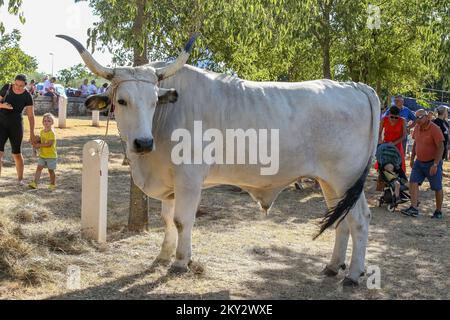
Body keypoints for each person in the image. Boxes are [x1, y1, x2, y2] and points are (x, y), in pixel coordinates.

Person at [401, 109, 445, 219]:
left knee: (437, 187)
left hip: (432, 163)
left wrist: (435, 164)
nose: (417, 120)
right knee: (413, 182)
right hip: (419, 162)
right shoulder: (417, 127)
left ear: (426, 117)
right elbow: (416, 143)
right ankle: (414, 208)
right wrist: (412, 159)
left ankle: (438, 211)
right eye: (416, 117)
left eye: (420, 117)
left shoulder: (435, 128)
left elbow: (441, 146)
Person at [0, 74, 36, 184]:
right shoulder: (7, 87)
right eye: (16, 84)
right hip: (1, 123)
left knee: (17, 153)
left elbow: (31, 115)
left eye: (21, 85)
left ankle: (20, 180)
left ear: (25, 85)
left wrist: (32, 133)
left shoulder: (27, 96)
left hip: (16, 125)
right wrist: (3, 106)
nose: (17, 87)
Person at [28, 113, 57, 190]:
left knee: (51, 171)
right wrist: (35, 140)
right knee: (39, 169)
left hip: (51, 156)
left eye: (49, 121)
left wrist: (39, 145)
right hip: (43, 155)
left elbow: (49, 144)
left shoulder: (52, 133)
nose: (46, 122)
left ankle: (52, 184)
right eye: (45, 121)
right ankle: (35, 183)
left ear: (52, 123)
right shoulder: (42, 131)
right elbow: (41, 140)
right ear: (42, 122)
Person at [378, 106, 407, 172]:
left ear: (399, 115)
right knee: (383, 166)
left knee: (397, 167)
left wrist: (394, 143)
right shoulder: (384, 119)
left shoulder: (402, 121)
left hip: (397, 146)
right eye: (392, 117)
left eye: (396, 117)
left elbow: (404, 136)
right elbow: (379, 132)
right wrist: (380, 141)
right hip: (386, 145)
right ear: (389, 114)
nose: (394, 119)